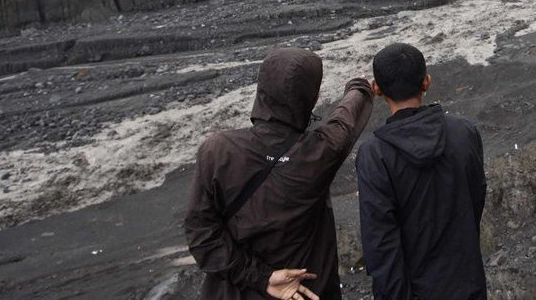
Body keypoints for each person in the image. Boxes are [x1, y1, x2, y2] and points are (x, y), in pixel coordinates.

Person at [185, 47, 373, 300]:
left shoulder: (217, 150)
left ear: (261, 90)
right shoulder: (320, 152)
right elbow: (345, 119)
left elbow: (201, 234)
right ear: (311, 96)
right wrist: (360, 86)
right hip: (307, 291)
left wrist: (260, 277)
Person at [356, 43, 487, 300]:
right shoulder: (464, 131)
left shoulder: (375, 155)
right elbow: (476, 199)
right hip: (467, 284)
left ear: (377, 88)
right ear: (426, 82)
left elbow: (380, 243)